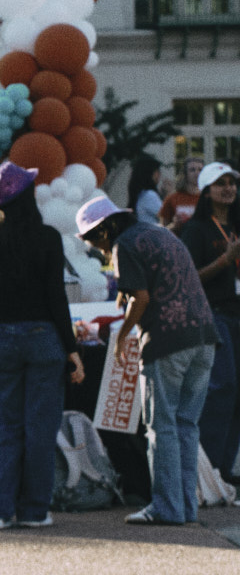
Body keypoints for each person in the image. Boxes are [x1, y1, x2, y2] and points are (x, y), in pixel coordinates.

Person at [78, 192, 219, 525]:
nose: (95, 248)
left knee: (161, 428)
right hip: (205, 336)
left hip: (167, 340)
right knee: (186, 425)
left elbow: (141, 298)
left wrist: (124, 334)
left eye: (92, 239)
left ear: (104, 229)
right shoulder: (157, 233)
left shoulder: (123, 245)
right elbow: (160, 282)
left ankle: (167, 508)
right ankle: (186, 507)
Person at [0, 164, 84, 530]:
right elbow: (56, 297)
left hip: (2, 334)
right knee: (40, 429)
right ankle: (34, 510)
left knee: (7, 426)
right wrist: (72, 349)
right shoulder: (48, 237)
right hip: (42, 334)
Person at [178, 161, 240, 483]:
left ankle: (225, 470)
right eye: (220, 183)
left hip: (238, 313)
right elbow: (189, 279)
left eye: (231, 182)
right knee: (223, 387)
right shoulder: (197, 230)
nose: (228, 188)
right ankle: (208, 468)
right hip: (214, 315)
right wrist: (224, 261)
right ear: (206, 191)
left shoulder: (237, 225)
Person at [163, 155, 206, 227]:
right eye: (192, 170)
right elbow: (163, 230)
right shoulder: (172, 198)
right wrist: (174, 225)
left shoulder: (209, 198)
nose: (197, 173)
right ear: (185, 174)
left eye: (200, 170)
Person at [129, 155, 166, 228]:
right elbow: (167, 217)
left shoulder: (140, 194)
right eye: (157, 171)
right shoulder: (149, 195)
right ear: (150, 173)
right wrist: (169, 196)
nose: (159, 175)